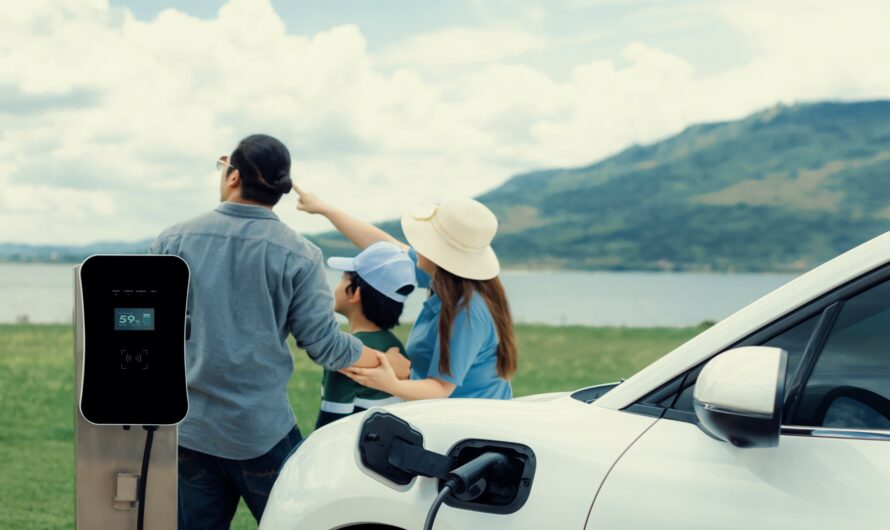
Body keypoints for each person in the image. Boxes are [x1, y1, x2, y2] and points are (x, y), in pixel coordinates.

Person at [149, 134, 387, 529]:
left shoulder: (172, 240)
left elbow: (153, 334)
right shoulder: (299, 254)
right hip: (261, 431)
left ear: (233, 176)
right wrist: (378, 358)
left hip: (189, 430)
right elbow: (324, 344)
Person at [294, 186, 518, 401]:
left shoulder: (468, 311)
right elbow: (385, 249)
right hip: (445, 416)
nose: (416, 244)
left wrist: (390, 383)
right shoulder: (446, 278)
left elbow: (441, 388)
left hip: (469, 428)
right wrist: (325, 209)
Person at [316, 241, 417, 429]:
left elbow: (330, 427)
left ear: (355, 294)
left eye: (342, 279)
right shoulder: (394, 346)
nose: (337, 286)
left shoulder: (348, 356)